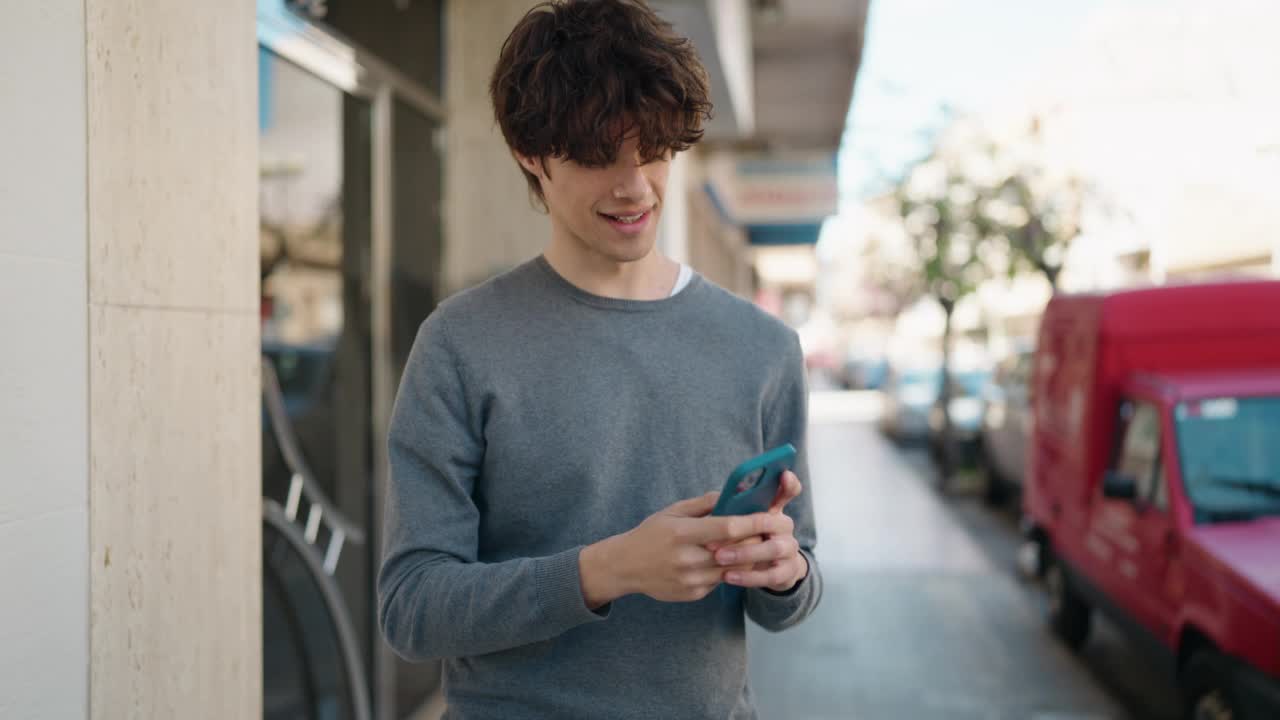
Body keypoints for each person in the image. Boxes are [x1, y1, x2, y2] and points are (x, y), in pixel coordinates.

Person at [376, 1, 821, 716]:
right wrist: (606, 570)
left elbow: (791, 597)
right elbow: (412, 608)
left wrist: (783, 571)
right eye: (595, 156)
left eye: (651, 149)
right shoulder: (461, 343)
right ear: (530, 155)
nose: (635, 186)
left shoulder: (763, 346)